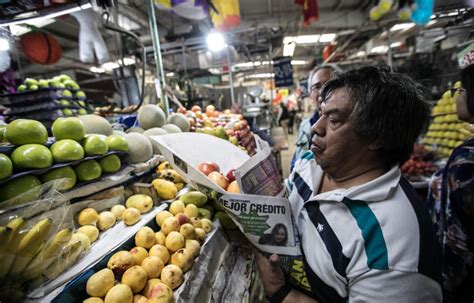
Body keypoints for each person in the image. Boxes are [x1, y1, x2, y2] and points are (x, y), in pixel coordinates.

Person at [256, 65, 442, 303]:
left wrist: (280, 292)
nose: (316, 127)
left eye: (334, 119)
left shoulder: (391, 245)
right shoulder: (309, 162)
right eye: (321, 113)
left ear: (377, 136)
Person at [428, 64, 474, 303]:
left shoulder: (466, 161)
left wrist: (448, 281)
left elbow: (458, 239)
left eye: (462, 90)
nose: (458, 96)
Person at [290, 65, 340, 170]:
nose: (322, 91)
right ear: (310, 94)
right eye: (316, 87)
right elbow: (297, 157)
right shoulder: (305, 125)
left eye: (329, 84)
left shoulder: (347, 125)